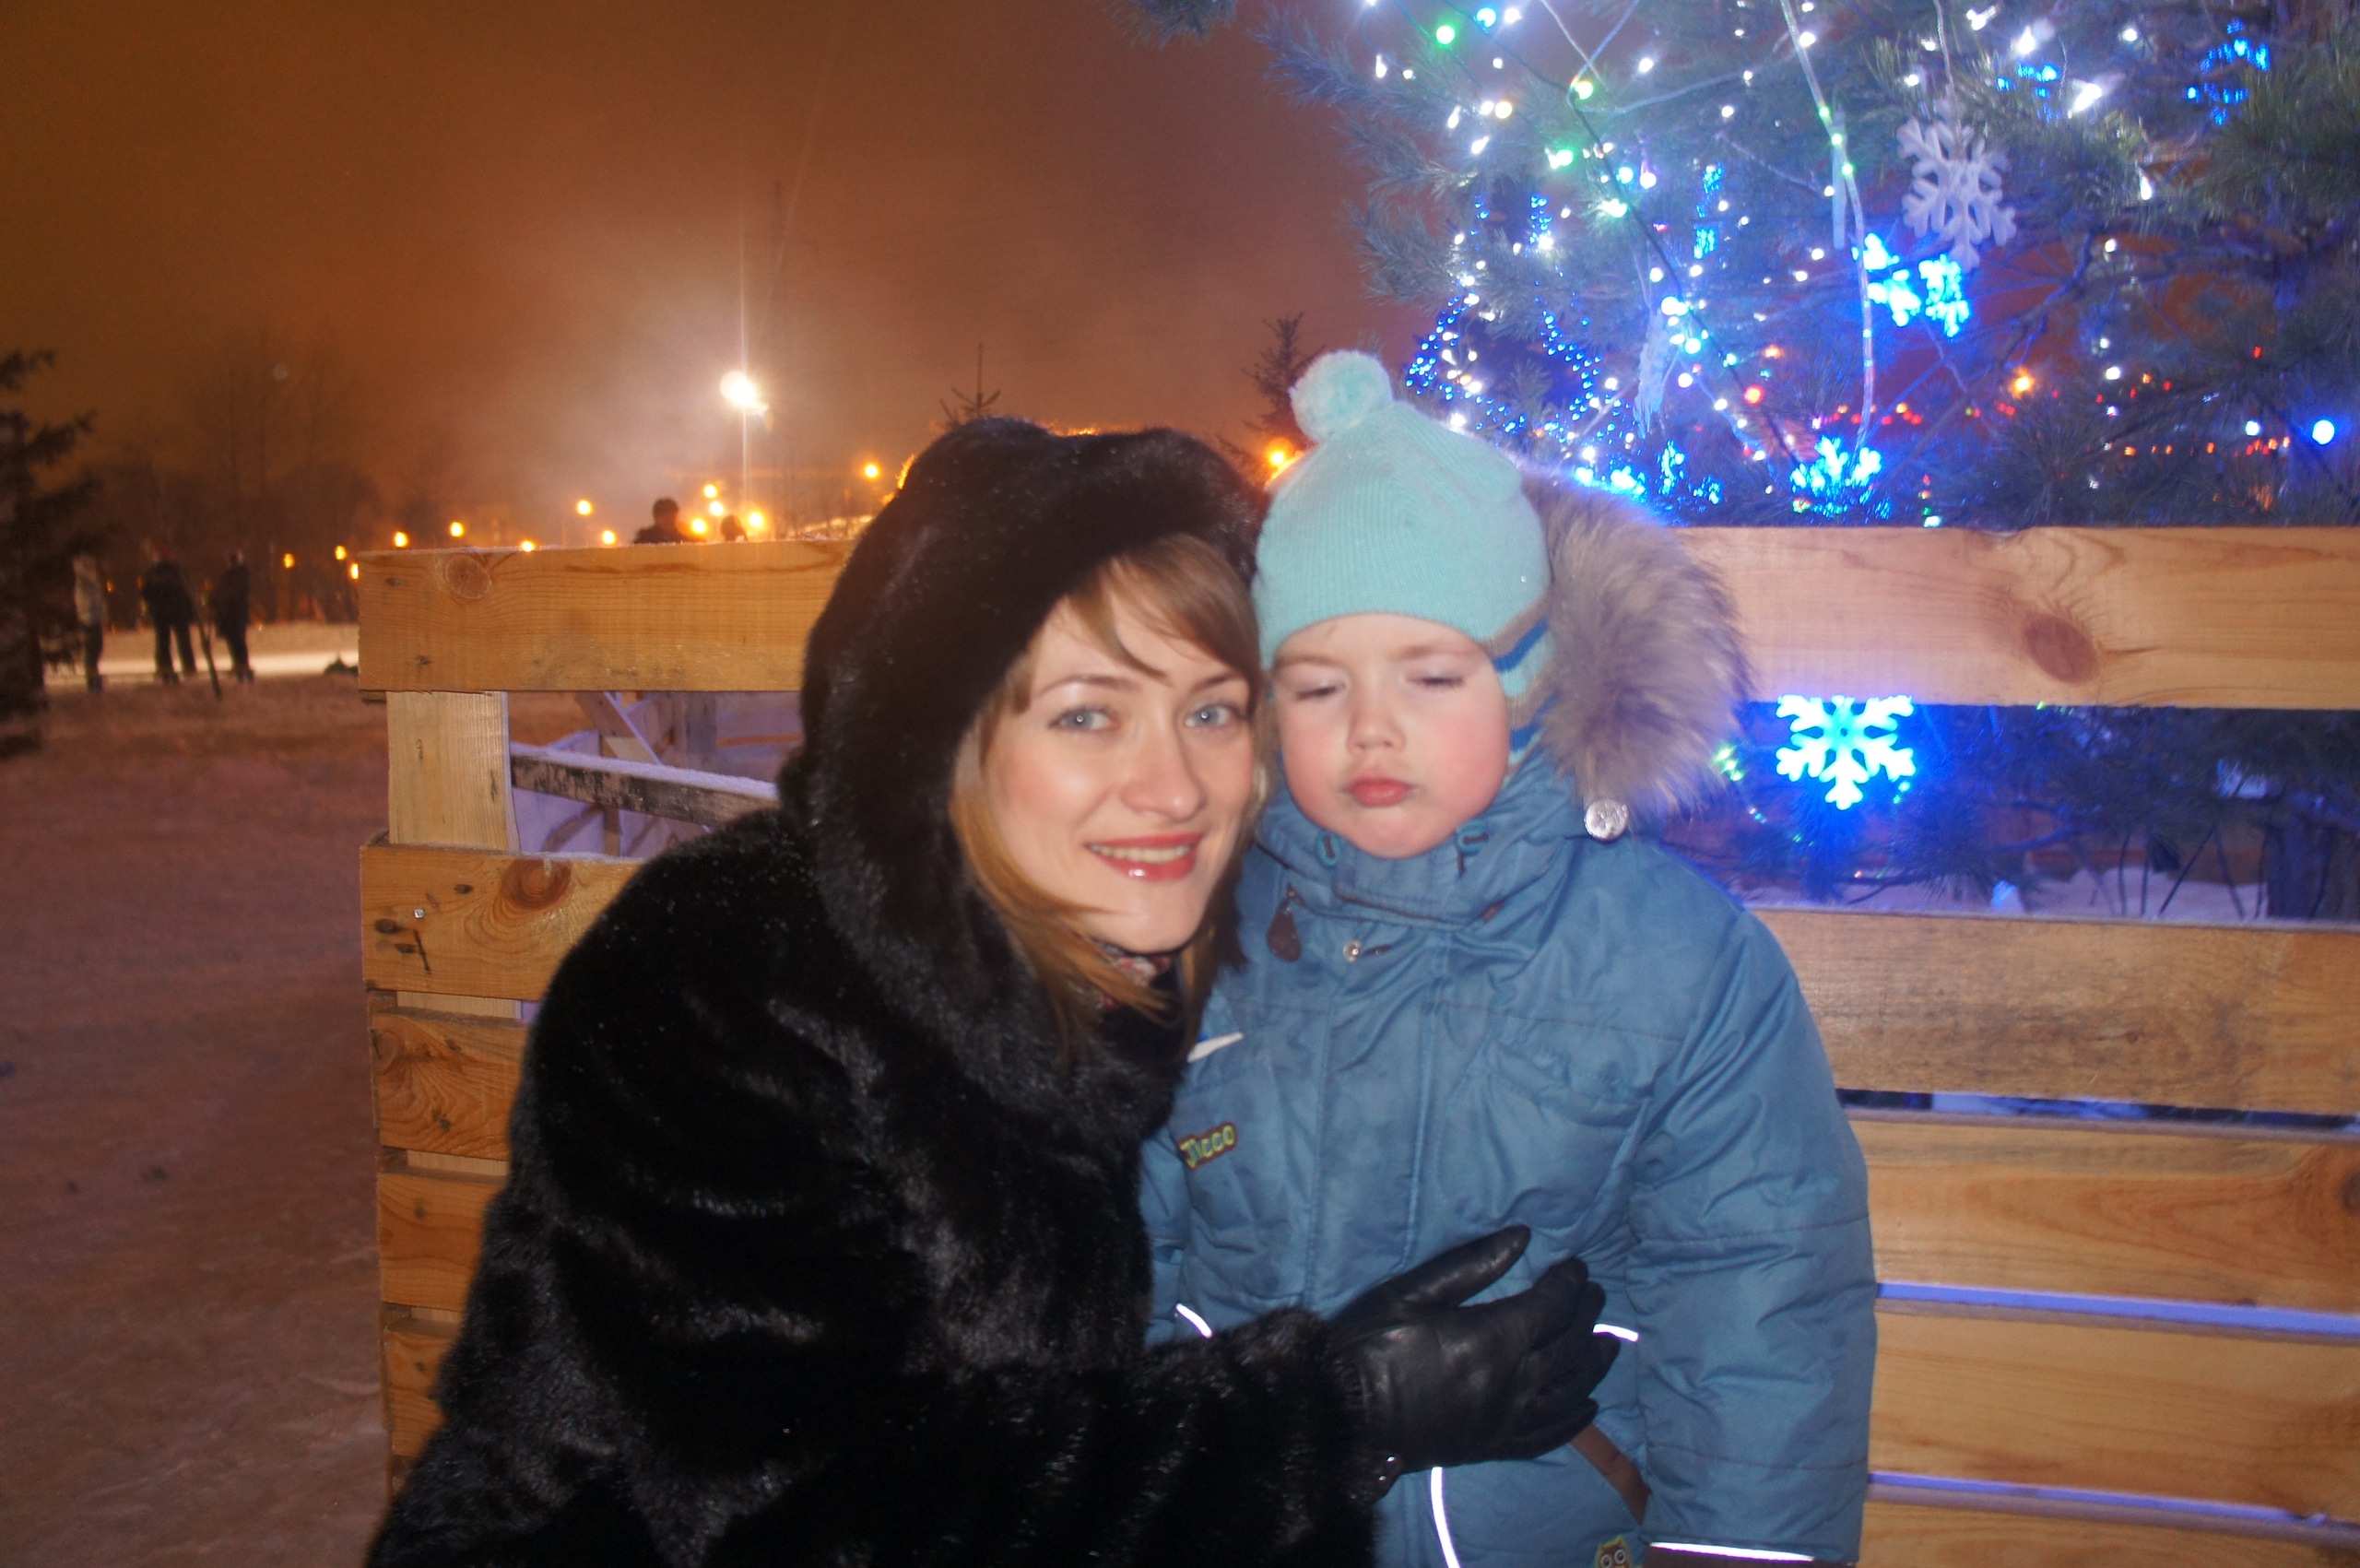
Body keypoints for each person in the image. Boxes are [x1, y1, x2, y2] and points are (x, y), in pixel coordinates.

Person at [371, 419, 1620, 1568]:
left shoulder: (1142, 954)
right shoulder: (719, 978)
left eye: (1212, 711)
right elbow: (803, 1510)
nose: (1173, 787)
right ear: (947, 745)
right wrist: (1332, 1418)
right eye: (1086, 717)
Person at [1142, 354, 1878, 1568]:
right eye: (1318, 687)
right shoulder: (1198, 945)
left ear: (1530, 685)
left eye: (1432, 676)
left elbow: (1761, 1312)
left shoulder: (1678, 966)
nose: (1371, 728)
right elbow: (1127, 1271)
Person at [138, 544, 197, 684]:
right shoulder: (178, 570)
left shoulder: (151, 572)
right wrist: (190, 610)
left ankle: (164, 665)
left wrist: (151, 604)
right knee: (183, 638)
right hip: (179, 609)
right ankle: (189, 665)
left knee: (162, 640)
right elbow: (188, 591)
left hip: (160, 610)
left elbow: (145, 593)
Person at [209, 550, 254, 683]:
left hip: (234, 613)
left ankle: (242, 663)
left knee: (237, 640)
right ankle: (239, 663)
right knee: (234, 640)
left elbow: (230, 593)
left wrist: (219, 601)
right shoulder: (231, 576)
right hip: (230, 613)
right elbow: (220, 592)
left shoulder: (239, 576)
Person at [73, 553, 107, 692]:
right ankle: (92, 677)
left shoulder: (91, 580)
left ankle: (93, 674)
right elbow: (89, 599)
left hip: (93, 616)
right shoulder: (84, 580)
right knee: (92, 648)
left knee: (96, 647)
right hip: (88, 617)